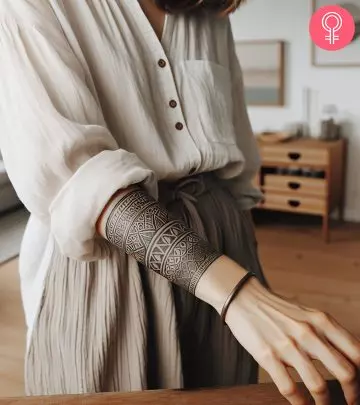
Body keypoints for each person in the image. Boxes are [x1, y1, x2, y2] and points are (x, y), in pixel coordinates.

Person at [0, 1, 359, 404]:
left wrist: (248, 269)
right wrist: (240, 293)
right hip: (116, 259)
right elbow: (75, 177)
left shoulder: (208, 11)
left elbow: (234, 155)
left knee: (224, 388)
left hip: (225, 238)